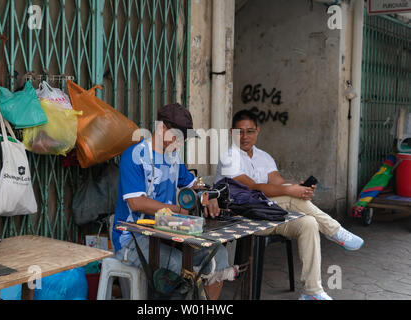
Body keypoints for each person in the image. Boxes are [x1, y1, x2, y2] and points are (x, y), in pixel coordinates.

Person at [215, 109, 364, 300]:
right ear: (231, 132)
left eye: (250, 131)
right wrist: (290, 191)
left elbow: (278, 182)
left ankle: (312, 291)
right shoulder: (229, 157)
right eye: (239, 132)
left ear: (258, 131)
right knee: (291, 197)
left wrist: (297, 188)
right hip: (243, 219)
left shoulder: (264, 157)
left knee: (309, 222)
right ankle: (334, 230)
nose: (245, 137)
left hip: (268, 217)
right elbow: (252, 188)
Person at [112, 103, 235, 300]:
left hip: (167, 233)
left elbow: (194, 184)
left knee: (217, 254)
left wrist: (210, 196)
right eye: (177, 136)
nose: (181, 142)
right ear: (161, 128)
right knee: (177, 263)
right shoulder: (135, 156)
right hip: (133, 238)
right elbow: (136, 203)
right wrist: (177, 209)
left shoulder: (172, 158)